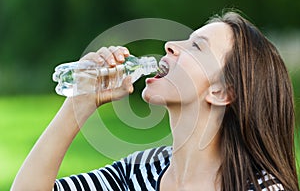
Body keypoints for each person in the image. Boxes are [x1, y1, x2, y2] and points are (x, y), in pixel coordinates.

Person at [12, 11, 299, 191]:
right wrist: (79, 103)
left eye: (197, 46)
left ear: (222, 92)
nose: (170, 45)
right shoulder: (140, 171)